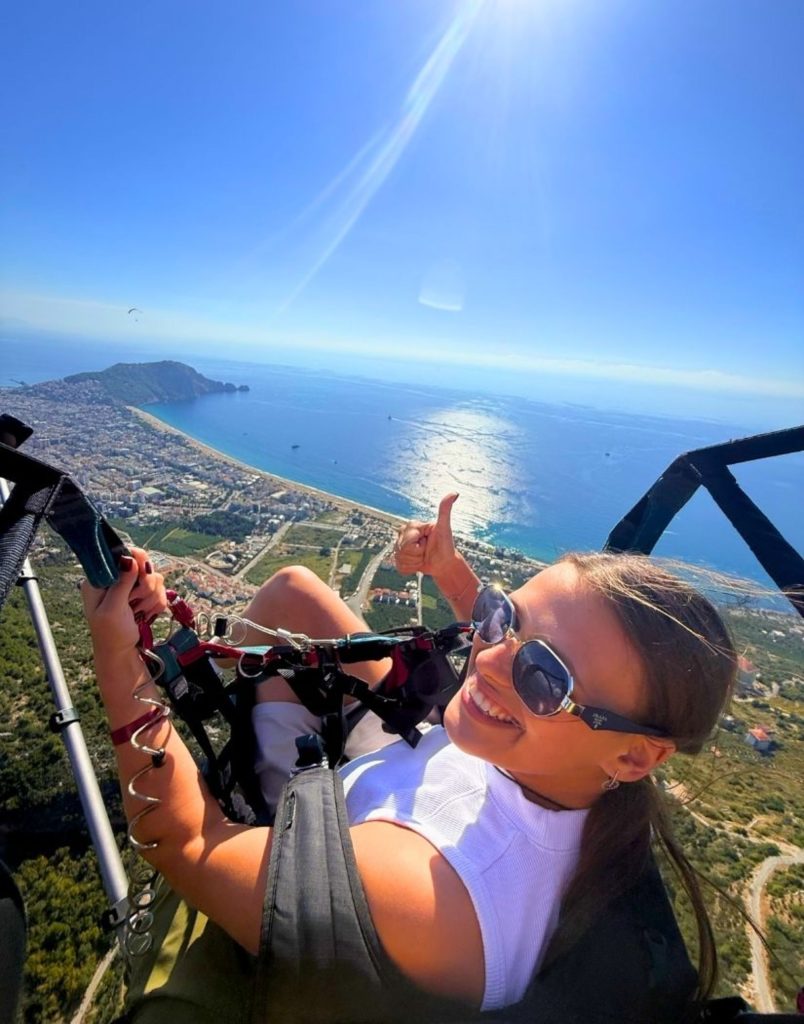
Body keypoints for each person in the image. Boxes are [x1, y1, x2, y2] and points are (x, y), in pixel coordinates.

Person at [81, 493, 736, 1016]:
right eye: (503, 615)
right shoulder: (573, 775)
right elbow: (520, 648)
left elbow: (185, 841)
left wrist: (115, 653)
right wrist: (453, 576)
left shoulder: (427, 891)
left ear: (634, 758)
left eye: (545, 676)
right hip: (429, 768)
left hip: (332, 825)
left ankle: (263, 780)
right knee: (293, 592)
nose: (487, 657)